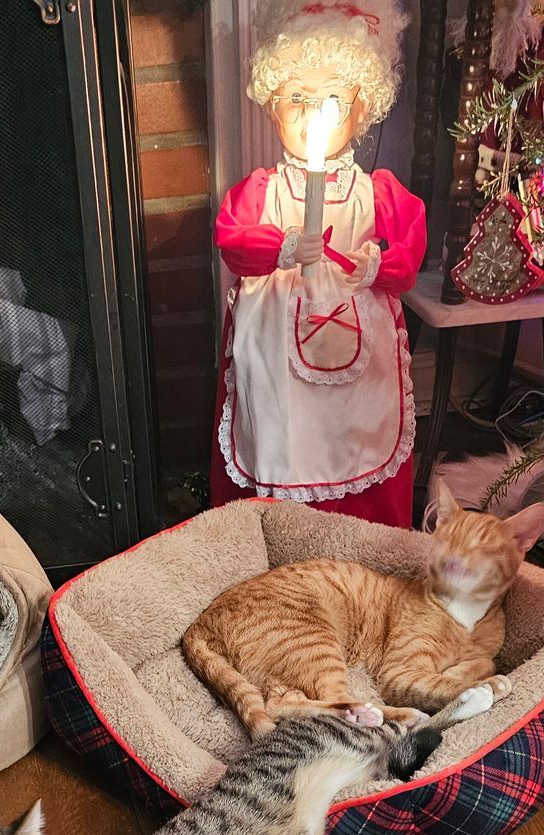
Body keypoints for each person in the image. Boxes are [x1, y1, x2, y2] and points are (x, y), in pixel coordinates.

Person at [210, 0, 425, 527]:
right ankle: (273, 534)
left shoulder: (379, 195)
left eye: (331, 98)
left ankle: (366, 536)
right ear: (272, 104)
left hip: (358, 349)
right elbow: (232, 240)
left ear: (360, 108)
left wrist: (375, 263)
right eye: (297, 99)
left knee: (356, 429)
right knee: (280, 430)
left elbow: (408, 255)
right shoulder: (262, 191)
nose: (312, 115)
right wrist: (280, 248)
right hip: (274, 355)